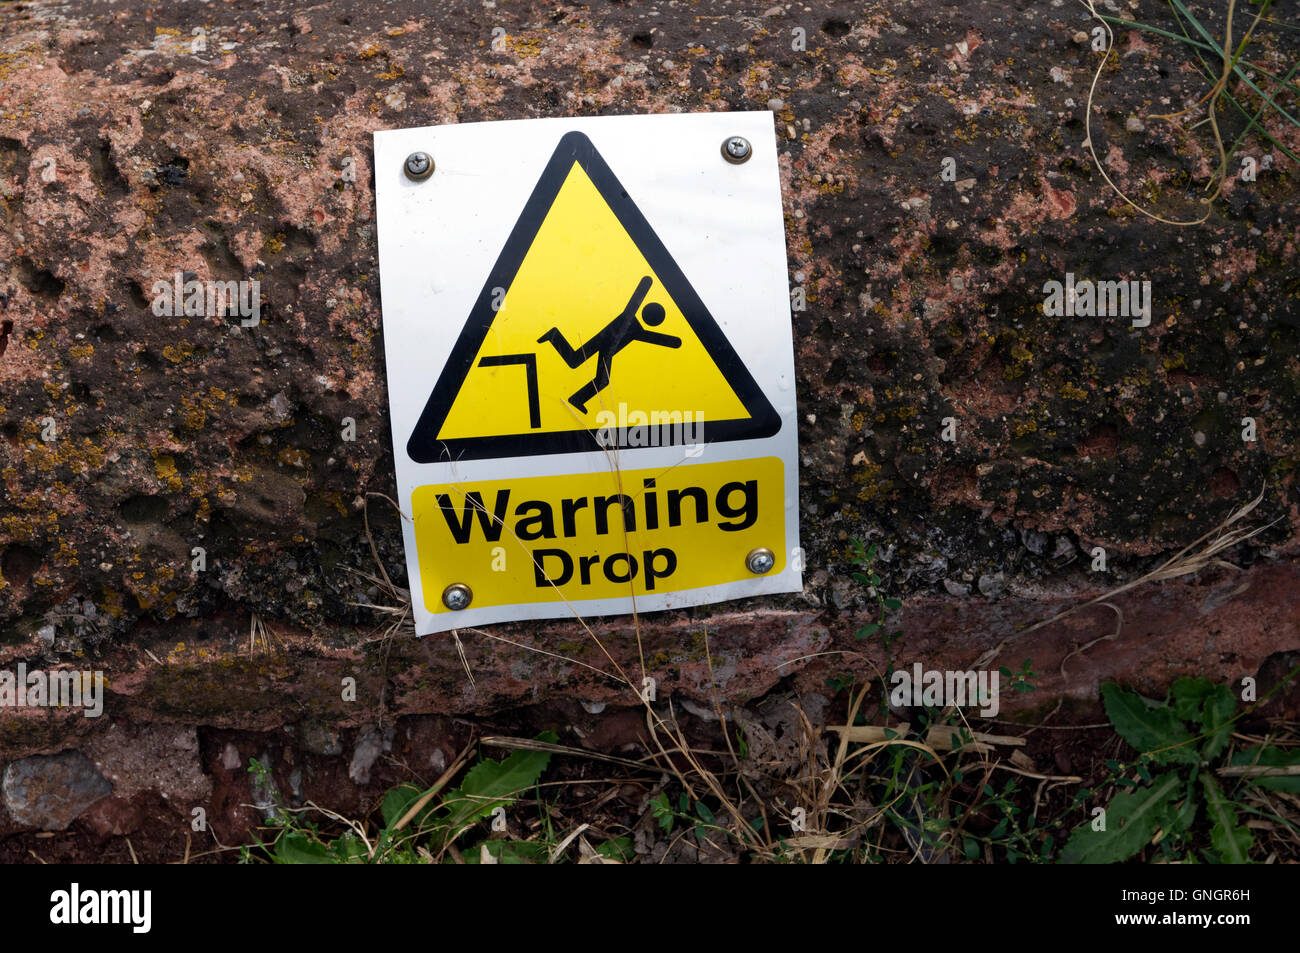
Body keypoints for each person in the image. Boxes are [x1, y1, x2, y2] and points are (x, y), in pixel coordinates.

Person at [536, 275, 681, 413]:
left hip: (604, 342)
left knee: (575, 361)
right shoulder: (629, 316)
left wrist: (675, 342)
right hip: (606, 345)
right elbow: (640, 294)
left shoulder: (635, 325)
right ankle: (576, 398)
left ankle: (554, 337)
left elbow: (656, 338)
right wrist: (647, 283)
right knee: (598, 378)